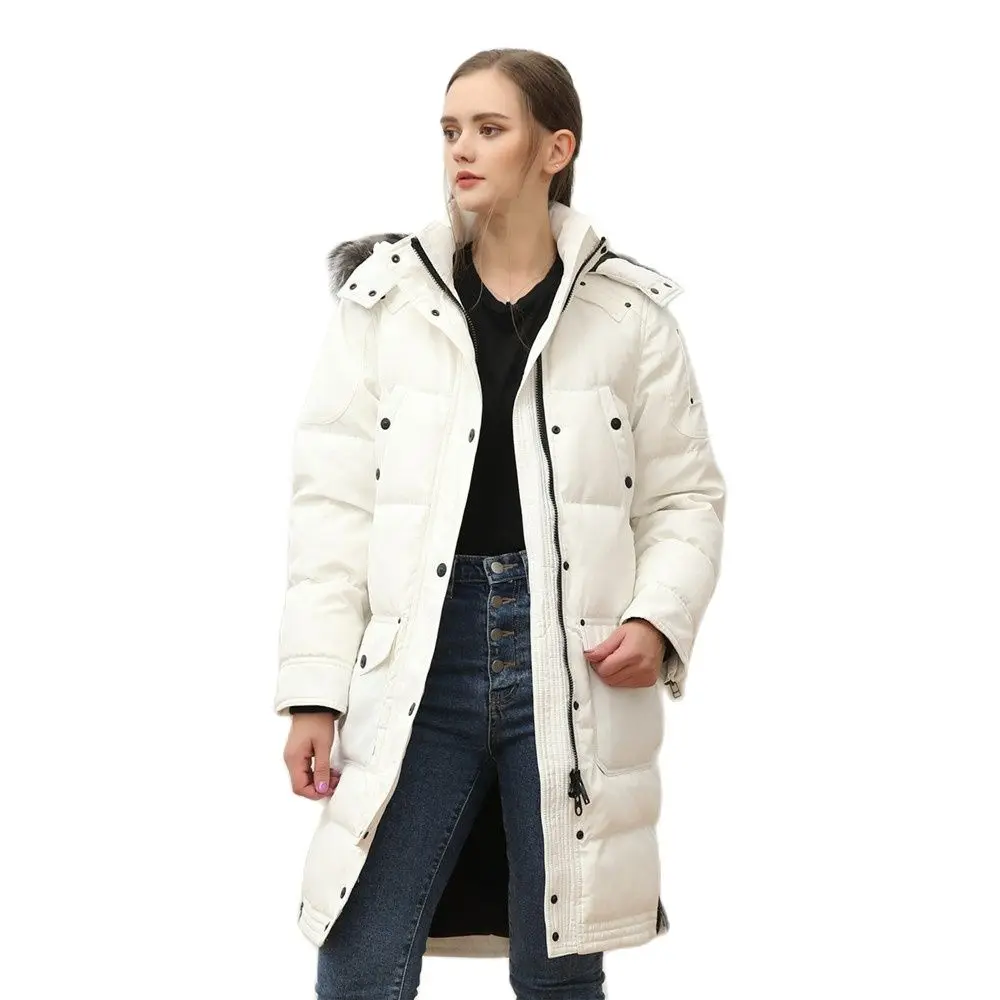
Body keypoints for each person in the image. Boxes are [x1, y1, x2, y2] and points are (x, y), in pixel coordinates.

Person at [274, 47, 726, 1000]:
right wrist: (314, 691)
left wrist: (657, 618)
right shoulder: (386, 303)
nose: (461, 151)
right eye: (450, 130)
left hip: (573, 658)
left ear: (555, 149)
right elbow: (333, 511)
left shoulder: (629, 315)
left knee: (558, 961)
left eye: (489, 129)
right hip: (418, 658)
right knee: (358, 960)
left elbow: (685, 496)